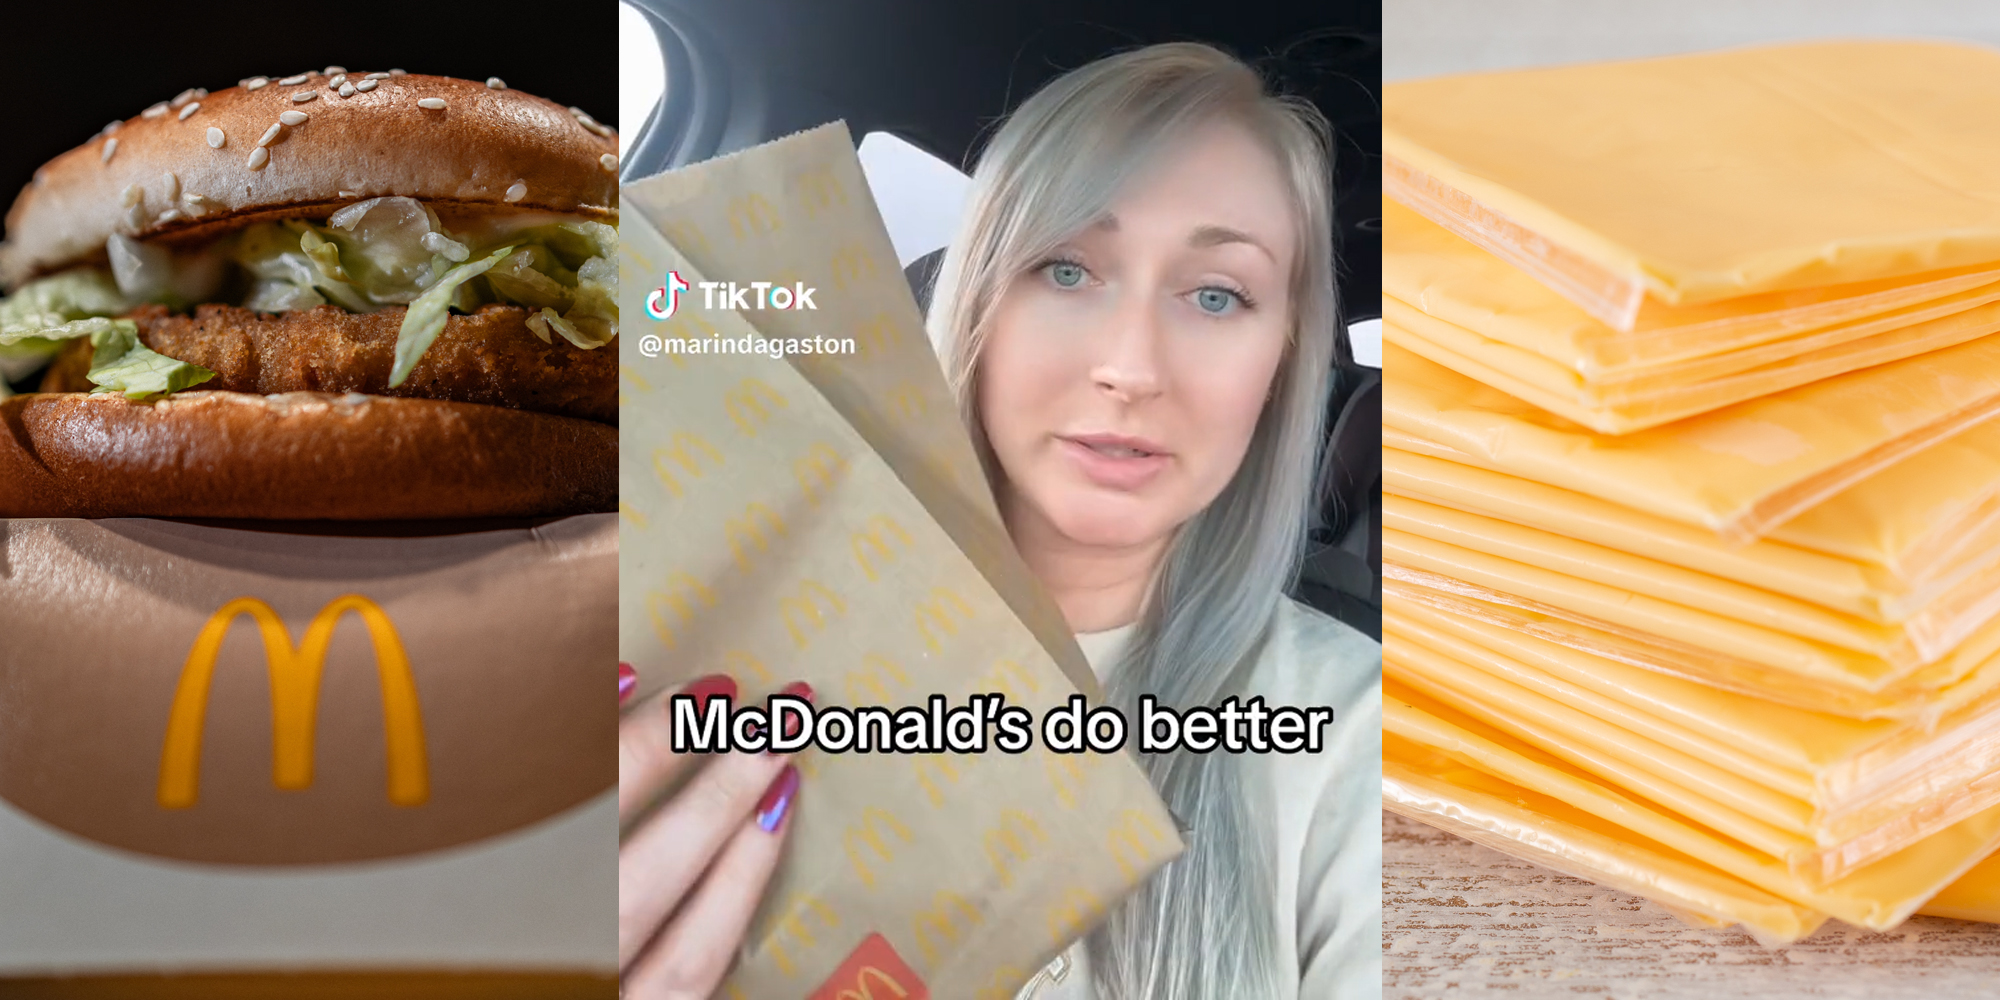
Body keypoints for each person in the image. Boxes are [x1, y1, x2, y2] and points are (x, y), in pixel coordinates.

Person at [616, 41, 1381, 1000]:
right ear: (977, 296)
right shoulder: (725, 605)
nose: (1132, 367)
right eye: (1066, 270)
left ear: (1282, 361)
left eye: (1218, 295)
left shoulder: (1364, 736)